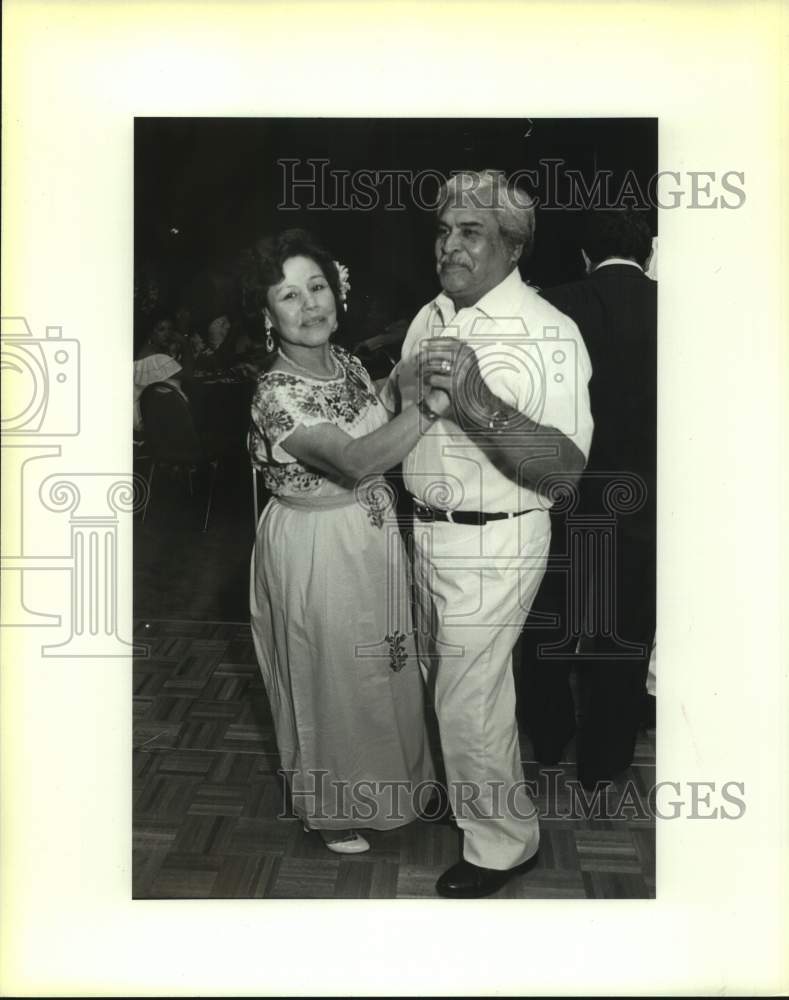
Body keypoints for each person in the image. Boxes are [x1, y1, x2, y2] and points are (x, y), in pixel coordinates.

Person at [384, 170, 594, 897]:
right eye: (442, 231)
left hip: (495, 538)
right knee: (439, 679)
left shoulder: (547, 331)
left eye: (468, 232)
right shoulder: (429, 314)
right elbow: (399, 406)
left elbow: (564, 470)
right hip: (428, 530)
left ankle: (504, 845)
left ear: (512, 245)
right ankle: (465, 796)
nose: (448, 245)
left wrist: (476, 400)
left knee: (470, 696)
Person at [248, 229, 451, 855]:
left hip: (371, 536)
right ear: (267, 315)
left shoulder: (349, 364)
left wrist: (405, 378)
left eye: (317, 288)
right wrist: (435, 404)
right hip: (316, 546)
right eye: (289, 296)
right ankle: (336, 809)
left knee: (389, 665)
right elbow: (360, 458)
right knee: (331, 673)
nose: (310, 306)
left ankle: (401, 787)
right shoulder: (274, 395)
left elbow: (374, 408)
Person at [522, 208, 656, 788]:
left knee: (548, 625)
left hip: (562, 496)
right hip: (646, 503)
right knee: (624, 635)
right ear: (647, 250)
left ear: (584, 256)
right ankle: (604, 763)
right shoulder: (683, 306)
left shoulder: (550, 303)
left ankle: (548, 740)